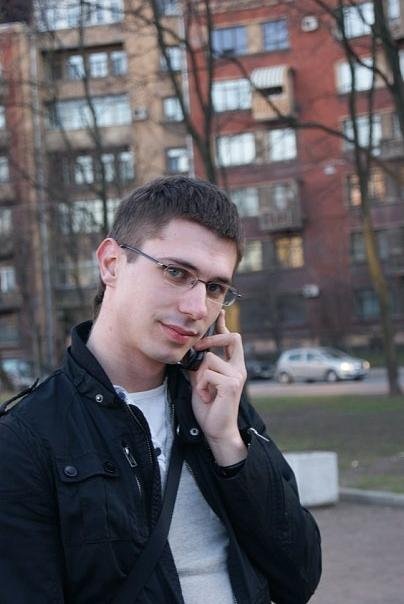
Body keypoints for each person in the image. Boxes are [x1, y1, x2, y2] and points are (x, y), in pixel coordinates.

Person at [0, 176, 321, 603]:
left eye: (215, 288)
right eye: (176, 272)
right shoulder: (26, 439)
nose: (196, 309)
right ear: (112, 264)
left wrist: (229, 444)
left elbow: (299, 576)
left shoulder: (218, 404)